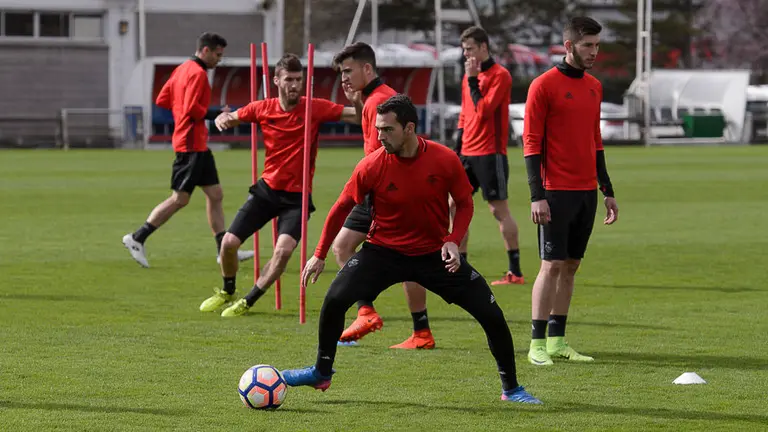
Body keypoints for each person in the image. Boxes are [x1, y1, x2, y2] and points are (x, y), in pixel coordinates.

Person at [279, 95, 542, 405]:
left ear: (409, 128)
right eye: (378, 129)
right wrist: (320, 253)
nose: (380, 136)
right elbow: (340, 208)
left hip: (434, 254)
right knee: (335, 300)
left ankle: (511, 389)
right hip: (382, 253)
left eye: (387, 129)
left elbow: (465, 202)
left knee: (491, 314)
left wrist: (453, 240)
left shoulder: (444, 159)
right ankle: (321, 373)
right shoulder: (372, 164)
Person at [198, 53, 363, 316]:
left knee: (284, 251)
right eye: (289, 79)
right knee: (228, 243)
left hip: (296, 199)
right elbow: (233, 116)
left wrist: (357, 97)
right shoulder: (263, 107)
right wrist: (222, 119)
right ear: (276, 81)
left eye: (299, 79)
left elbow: (356, 116)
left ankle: (248, 301)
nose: (294, 85)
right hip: (267, 191)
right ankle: (228, 290)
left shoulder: (313, 107)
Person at [523, 17, 619, 366]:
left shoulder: (594, 86)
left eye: (597, 45)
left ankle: (557, 339)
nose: (594, 51)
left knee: (572, 265)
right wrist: (537, 195)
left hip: (585, 192)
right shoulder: (543, 85)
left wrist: (606, 189)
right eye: (587, 45)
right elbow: (531, 143)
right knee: (551, 265)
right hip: (554, 192)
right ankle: (536, 343)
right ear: (568, 46)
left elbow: (595, 139)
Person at [331, 42, 436, 349]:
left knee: (402, 259)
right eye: (341, 73)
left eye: (348, 71)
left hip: (387, 191)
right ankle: (377, 314)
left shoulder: (383, 99)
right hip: (381, 189)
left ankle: (378, 315)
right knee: (346, 247)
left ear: (367, 68)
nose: (343, 79)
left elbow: (391, 152)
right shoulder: (373, 98)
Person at [122, 32, 254, 268]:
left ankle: (222, 249)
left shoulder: (181, 69)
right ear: (205, 51)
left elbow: (163, 99)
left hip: (197, 144)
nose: (219, 60)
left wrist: (182, 108)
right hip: (190, 144)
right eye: (217, 54)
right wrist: (219, 114)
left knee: (215, 195)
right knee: (179, 199)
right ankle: (137, 237)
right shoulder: (198, 74)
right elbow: (193, 109)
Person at [451, 26, 525, 286]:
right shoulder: (469, 75)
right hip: (467, 153)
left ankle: (515, 271)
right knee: (453, 205)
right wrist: (456, 145)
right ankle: (460, 267)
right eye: (464, 50)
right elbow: (465, 112)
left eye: (470, 49)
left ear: (484, 47)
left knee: (498, 210)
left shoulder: (499, 75)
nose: (466, 54)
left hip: (490, 154)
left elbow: (483, 111)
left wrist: (472, 79)